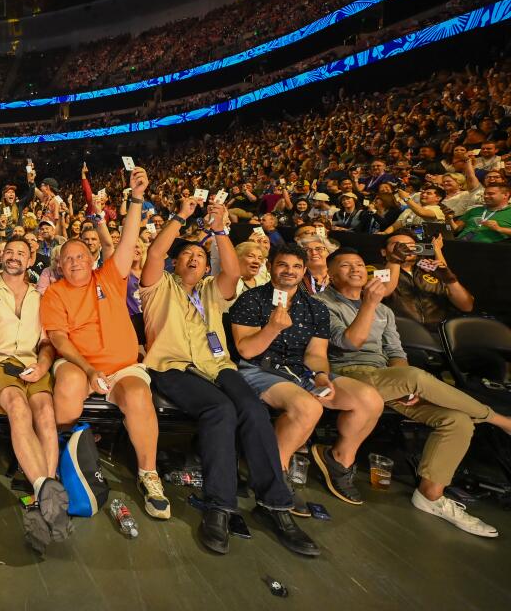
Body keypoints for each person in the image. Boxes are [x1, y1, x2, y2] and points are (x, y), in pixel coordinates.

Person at [140, 195, 317, 555]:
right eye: (188, 255)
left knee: (252, 409)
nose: (194, 259)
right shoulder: (158, 288)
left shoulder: (211, 292)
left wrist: (220, 229)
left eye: (201, 257)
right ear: (176, 262)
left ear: (207, 267)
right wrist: (179, 216)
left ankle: (275, 504)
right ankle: (219, 506)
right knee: (221, 410)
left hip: (218, 366)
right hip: (173, 368)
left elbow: (233, 273)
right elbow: (155, 255)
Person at [321, 248, 511, 537]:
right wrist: (369, 304)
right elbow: (348, 344)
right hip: (348, 375)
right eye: (345, 266)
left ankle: (430, 495)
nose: (356, 269)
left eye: (360, 264)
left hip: (388, 377)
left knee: (456, 420)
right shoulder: (322, 303)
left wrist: (402, 380)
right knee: (414, 376)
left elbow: (396, 352)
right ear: (332, 277)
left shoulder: (384, 311)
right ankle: (500, 420)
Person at [43, 167, 171, 520]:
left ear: (92, 259)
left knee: (137, 395)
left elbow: (129, 239)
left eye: (80, 256)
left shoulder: (111, 276)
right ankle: (66, 455)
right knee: (68, 389)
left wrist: (137, 198)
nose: (74, 263)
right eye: (67, 259)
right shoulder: (54, 294)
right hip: (79, 365)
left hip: (122, 367)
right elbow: (57, 338)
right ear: (60, 266)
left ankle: (149, 475)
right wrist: (88, 368)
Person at [229, 243, 385, 511]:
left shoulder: (315, 307)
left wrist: (321, 375)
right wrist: (272, 329)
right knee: (308, 407)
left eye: (296, 266)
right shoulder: (251, 299)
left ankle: (338, 461)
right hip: (259, 369)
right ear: (270, 267)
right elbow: (246, 350)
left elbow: (315, 353)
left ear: (303, 272)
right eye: (282, 265)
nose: (290, 271)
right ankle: (276, 475)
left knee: (370, 399)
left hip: (301, 370)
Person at [0, 236, 71, 551]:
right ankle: (45, 489)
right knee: (18, 406)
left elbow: (46, 344)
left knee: (45, 411)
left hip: (32, 364)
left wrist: (43, 367)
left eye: (22, 253)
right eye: (10, 252)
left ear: (31, 260)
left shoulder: (41, 296)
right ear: (1, 258)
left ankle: (42, 499)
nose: (15, 256)